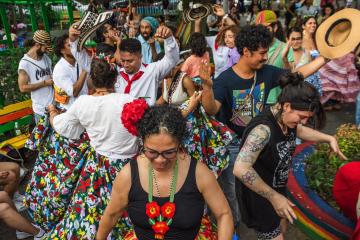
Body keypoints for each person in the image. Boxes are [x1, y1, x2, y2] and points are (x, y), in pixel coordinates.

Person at [199, 24, 329, 231]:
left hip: (260, 138)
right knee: (234, 190)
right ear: (246, 52)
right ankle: (234, 226)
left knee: (265, 181)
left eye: (266, 52)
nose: (266, 57)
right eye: (261, 53)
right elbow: (212, 109)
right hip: (233, 144)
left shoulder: (267, 72)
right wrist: (207, 86)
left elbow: (298, 75)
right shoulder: (225, 80)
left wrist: (326, 58)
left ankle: (265, 223)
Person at [26, 58, 139, 239]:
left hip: (99, 168)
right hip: (132, 168)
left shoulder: (84, 103)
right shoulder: (131, 101)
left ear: (92, 81)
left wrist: (53, 112)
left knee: (92, 212)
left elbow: (63, 128)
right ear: (116, 79)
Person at [233, 72, 346, 240]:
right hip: (260, 198)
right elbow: (240, 168)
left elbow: (298, 130)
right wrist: (274, 197)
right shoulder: (263, 131)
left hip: (278, 190)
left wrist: (328, 138)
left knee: (282, 227)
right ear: (286, 106)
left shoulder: (287, 119)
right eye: (302, 117)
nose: (303, 122)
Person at [96, 105, 233, 240]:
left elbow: (223, 213)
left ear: (179, 144)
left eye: (169, 152)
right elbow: (112, 215)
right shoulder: (128, 175)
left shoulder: (199, 173)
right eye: (152, 152)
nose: (160, 160)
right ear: (142, 142)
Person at [69, 23, 179, 105]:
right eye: (123, 60)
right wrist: (73, 41)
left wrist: (169, 38)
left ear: (140, 57)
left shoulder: (152, 71)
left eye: (130, 61)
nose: (125, 64)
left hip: (143, 128)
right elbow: (88, 65)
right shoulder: (114, 71)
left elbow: (171, 60)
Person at [255, 10, 295, 105]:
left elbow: (291, 76)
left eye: (266, 28)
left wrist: (284, 59)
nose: (262, 32)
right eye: (259, 28)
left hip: (276, 101)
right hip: (256, 99)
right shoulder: (252, 47)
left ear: (275, 27)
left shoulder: (285, 48)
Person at [18, 30, 54, 124]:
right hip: (41, 110)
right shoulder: (25, 63)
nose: (46, 51)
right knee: (43, 138)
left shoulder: (46, 58)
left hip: (54, 106)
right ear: (37, 45)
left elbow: (51, 76)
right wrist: (44, 83)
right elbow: (22, 88)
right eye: (45, 48)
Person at [53, 34, 88, 110]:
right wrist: (85, 69)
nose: (75, 48)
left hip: (85, 108)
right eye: (70, 46)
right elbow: (74, 92)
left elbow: (90, 85)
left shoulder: (80, 61)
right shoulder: (59, 69)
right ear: (62, 50)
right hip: (70, 112)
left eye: (74, 45)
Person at [286, 27, 322, 95]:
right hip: (290, 94)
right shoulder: (285, 55)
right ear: (287, 39)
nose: (296, 42)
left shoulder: (308, 53)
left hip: (307, 93)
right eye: (293, 39)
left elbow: (315, 75)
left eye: (298, 39)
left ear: (302, 39)